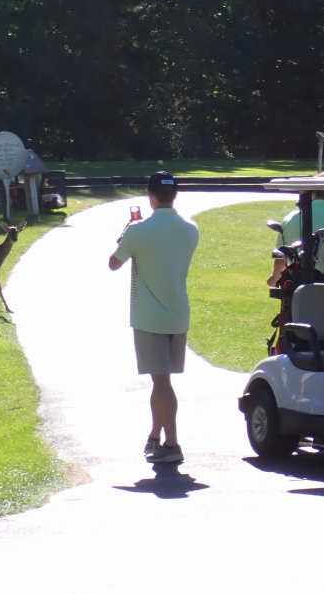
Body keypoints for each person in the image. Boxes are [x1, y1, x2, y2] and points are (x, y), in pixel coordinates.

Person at [108, 172, 199, 464]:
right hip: (178, 314)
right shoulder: (190, 228)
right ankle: (154, 436)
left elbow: (113, 263)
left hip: (149, 317)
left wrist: (125, 235)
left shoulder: (138, 231)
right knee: (160, 381)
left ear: (151, 196)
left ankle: (172, 445)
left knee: (161, 384)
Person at [266, 186, 324, 287]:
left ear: (312, 191)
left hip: (297, 288)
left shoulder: (290, 219)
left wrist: (274, 279)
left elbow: (280, 260)